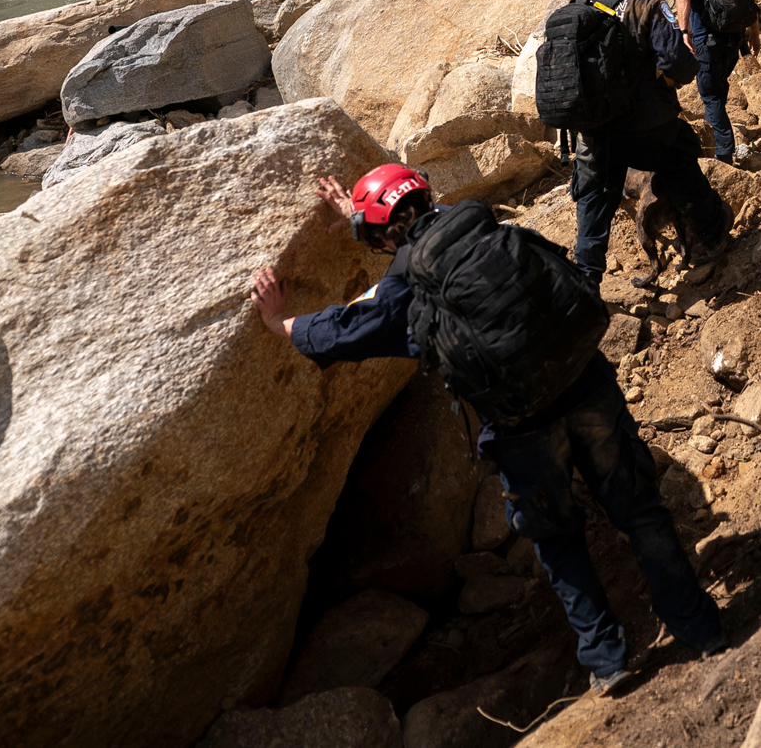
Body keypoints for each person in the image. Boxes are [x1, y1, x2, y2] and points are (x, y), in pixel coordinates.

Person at [251, 165, 727, 696]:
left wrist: (278, 323)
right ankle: (700, 626)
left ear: (383, 235)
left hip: (523, 427)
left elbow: (343, 331)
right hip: (586, 384)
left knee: (558, 538)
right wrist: (357, 211)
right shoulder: (481, 225)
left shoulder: (407, 287)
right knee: (640, 511)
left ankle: (607, 659)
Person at [560, 0, 735, 287]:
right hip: (645, 124)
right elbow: (681, 63)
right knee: (681, 160)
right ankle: (713, 237)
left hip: (593, 128)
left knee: (594, 199)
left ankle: (586, 282)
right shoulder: (647, 2)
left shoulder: (580, 1)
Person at [671, 0, 752, 166]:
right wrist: (754, 35)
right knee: (719, 86)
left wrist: (683, 30)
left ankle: (724, 154)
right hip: (735, 37)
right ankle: (723, 140)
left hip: (707, 39)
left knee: (710, 96)